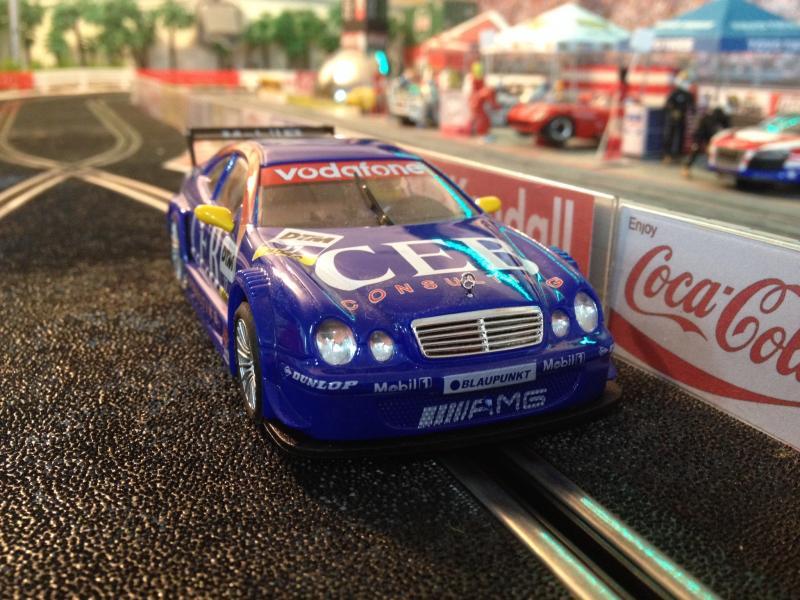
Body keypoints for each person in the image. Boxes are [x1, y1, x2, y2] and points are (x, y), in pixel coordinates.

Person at [682, 107, 731, 178]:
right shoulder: (707, 119)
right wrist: (697, 143)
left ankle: (719, 170)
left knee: (714, 152)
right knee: (696, 150)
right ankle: (686, 168)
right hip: (701, 136)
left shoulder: (723, 118)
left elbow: (727, 128)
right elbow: (700, 132)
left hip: (713, 138)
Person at [662, 73, 695, 162]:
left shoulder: (688, 94)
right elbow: (667, 105)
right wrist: (673, 111)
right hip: (673, 118)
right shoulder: (675, 93)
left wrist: (692, 115)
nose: (685, 82)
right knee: (669, 136)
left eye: (687, 80)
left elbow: (692, 107)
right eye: (684, 80)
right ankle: (667, 154)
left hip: (682, 118)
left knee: (681, 137)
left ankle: (678, 155)